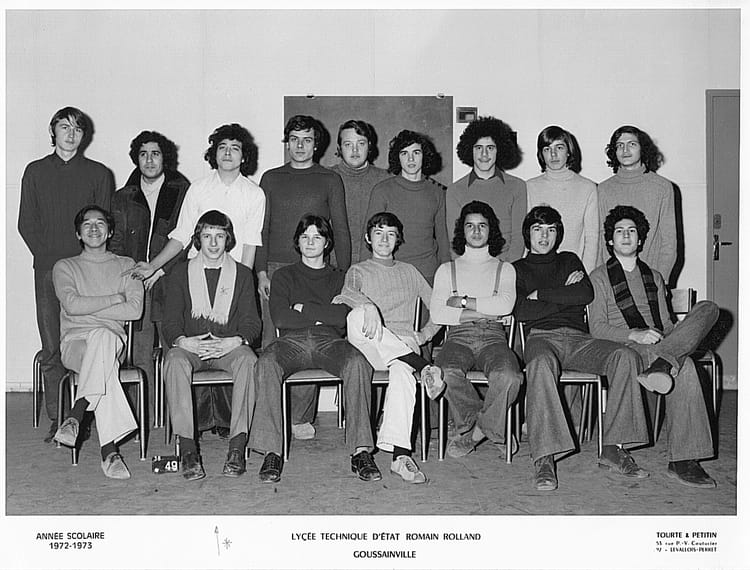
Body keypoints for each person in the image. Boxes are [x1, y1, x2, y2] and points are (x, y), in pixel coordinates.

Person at [128, 124, 265, 436]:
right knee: (193, 346)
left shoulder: (254, 194)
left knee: (230, 347)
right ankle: (196, 427)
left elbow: (250, 245)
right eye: (222, 147)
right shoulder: (198, 189)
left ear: (244, 156)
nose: (228, 153)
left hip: (232, 278)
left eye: (235, 148)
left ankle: (229, 424)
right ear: (213, 153)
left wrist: (240, 285)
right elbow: (180, 236)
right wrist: (154, 266)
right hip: (197, 277)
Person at [513, 206, 650, 491]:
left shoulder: (569, 260)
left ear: (558, 234)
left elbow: (585, 293)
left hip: (579, 340)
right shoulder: (517, 269)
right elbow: (523, 311)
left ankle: (613, 448)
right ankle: (544, 458)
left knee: (624, 356)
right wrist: (565, 296)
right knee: (539, 364)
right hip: (541, 338)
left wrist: (541, 295)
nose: (544, 236)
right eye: (538, 230)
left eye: (551, 230)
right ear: (528, 234)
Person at [588, 205, 718, 488]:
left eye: (631, 231)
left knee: (709, 308)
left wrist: (678, 338)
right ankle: (683, 459)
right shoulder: (598, 277)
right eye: (619, 231)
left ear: (640, 240)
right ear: (610, 239)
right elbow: (596, 328)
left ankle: (664, 362)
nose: (626, 235)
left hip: (661, 345)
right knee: (686, 366)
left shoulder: (654, 277)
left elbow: (667, 324)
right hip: (626, 347)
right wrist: (634, 334)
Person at [249, 215, 378, 484]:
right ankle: (272, 452)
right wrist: (322, 315)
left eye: (317, 237)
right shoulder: (283, 275)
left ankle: (361, 451)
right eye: (304, 237)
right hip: (290, 341)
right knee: (266, 363)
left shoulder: (339, 278)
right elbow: (281, 318)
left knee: (358, 363)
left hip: (329, 341)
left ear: (327, 242)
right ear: (297, 242)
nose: (310, 242)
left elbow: (341, 317)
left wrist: (303, 308)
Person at [18, 106, 115, 442]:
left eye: (77, 128)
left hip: (87, 270)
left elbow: (103, 222)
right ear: (53, 131)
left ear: (84, 135)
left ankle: (85, 414)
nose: (71, 134)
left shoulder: (98, 173)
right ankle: (59, 418)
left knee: (89, 340)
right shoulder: (35, 171)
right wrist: (51, 260)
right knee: (52, 345)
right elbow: (26, 223)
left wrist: (86, 261)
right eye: (64, 127)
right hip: (48, 270)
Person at [257, 114, 351, 438]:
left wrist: (345, 275)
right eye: (294, 140)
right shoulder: (271, 178)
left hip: (317, 270)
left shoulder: (329, 179)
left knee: (313, 335)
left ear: (316, 144)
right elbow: (262, 229)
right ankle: (269, 420)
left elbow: (340, 228)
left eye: (307, 140)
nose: (300, 146)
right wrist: (261, 272)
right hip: (276, 269)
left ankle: (299, 418)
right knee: (273, 344)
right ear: (287, 143)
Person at [334, 212, 444, 484]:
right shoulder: (358, 270)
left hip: (403, 346)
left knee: (402, 372)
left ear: (398, 240)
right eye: (378, 233)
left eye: (391, 234)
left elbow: (439, 308)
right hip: (369, 348)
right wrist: (368, 306)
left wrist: (424, 335)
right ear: (368, 238)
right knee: (356, 315)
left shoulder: (409, 271)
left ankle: (400, 457)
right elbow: (347, 293)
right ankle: (424, 367)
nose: (384, 239)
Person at [162, 211, 261, 481]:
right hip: (191, 347)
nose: (214, 243)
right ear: (198, 239)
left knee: (248, 360)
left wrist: (236, 341)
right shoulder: (180, 272)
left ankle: (237, 447)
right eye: (207, 236)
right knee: (174, 360)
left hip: (227, 347)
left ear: (229, 239)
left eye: (220, 236)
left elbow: (252, 322)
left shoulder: (242, 274)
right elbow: (170, 321)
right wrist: (183, 341)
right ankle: (188, 450)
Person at [52, 205, 142, 479]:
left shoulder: (127, 265)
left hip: (113, 343)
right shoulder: (65, 267)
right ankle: (109, 452)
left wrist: (86, 308)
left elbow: (134, 310)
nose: (94, 228)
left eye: (100, 223)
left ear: (110, 231)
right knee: (105, 368)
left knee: (103, 338)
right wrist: (114, 300)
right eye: (87, 224)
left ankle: (76, 415)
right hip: (75, 344)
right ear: (78, 233)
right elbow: (71, 304)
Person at [430, 201, 522, 458]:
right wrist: (485, 310)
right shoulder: (446, 270)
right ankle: (490, 427)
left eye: (482, 225)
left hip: (494, 337)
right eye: (470, 226)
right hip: (458, 337)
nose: (477, 231)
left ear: (491, 230)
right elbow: (438, 314)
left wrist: (461, 302)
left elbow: (505, 305)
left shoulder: (505, 269)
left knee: (509, 377)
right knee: (445, 372)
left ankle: (477, 432)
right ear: (462, 231)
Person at [110, 130, 190, 423]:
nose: (149, 160)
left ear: (164, 158)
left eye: (155, 154)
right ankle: (141, 417)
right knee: (139, 353)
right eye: (143, 154)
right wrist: (131, 276)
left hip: (171, 280)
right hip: (137, 283)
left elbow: (187, 239)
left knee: (174, 349)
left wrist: (160, 269)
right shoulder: (123, 196)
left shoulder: (182, 190)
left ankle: (174, 417)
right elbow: (116, 242)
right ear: (136, 159)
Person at [362, 129, 449, 283]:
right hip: (391, 273)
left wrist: (447, 277)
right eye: (404, 153)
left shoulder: (437, 192)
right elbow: (369, 235)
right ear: (398, 157)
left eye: (416, 152)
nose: (410, 159)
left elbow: (443, 240)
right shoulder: (382, 190)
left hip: (428, 274)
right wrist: (363, 275)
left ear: (424, 155)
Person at [597, 125, 676, 281]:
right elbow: (601, 238)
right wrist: (605, 278)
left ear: (642, 149)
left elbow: (669, 240)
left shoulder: (662, 187)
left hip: (651, 277)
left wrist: (661, 279)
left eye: (632, 144)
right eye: (620, 145)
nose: (625, 150)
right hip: (613, 278)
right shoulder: (603, 189)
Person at [447, 116, 526, 262]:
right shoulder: (454, 190)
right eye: (478, 148)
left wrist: (505, 269)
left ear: (499, 150)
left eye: (490, 148)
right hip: (468, 267)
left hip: (507, 266)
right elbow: (455, 241)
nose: (484, 154)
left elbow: (518, 238)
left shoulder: (517, 186)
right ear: (470, 150)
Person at [526, 125, 599, 272]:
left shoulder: (588, 188)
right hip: (536, 270)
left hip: (573, 272)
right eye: (547, 149)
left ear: (568, 151)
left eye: (559, 147)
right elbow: (526, 235)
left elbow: (592, 238)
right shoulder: (529, 187)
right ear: (541, 154)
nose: (553, 154)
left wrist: (584, 274)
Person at [330, 119, 391, 264]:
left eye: (361, 143)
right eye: (348, 144)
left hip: (375, 265)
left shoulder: (386, 179)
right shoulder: (326, 177)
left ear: (369, 146)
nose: (355, 150)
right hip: (333, 265)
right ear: (339, 148)